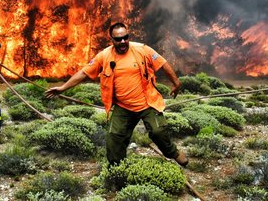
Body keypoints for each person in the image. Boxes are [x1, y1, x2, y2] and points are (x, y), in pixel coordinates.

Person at [45, 22, 186, 166]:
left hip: (147, 103)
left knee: (157, 132)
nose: (123, 41)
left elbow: (163, 63)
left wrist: (176, 83)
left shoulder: (143, 50)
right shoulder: (104, 56)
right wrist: (63, 88)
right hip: (123, 107)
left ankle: (173, 153)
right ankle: (116, 169)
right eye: (118, 39)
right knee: (113, 137)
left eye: (125, 37)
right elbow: (84, 73)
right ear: (112, 40)